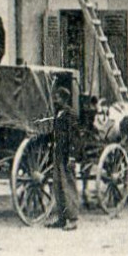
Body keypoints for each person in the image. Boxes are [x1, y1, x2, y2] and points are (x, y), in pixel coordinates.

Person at [49, 83, 81, 231]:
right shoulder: (59, 113)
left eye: (57, 98)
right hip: (58, 154)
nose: (55, 100)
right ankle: (62, 218)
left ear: (63, 99)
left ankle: (73, 219)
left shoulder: (70, 114)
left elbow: (74, 138)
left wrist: (72, 157)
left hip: (67, 155)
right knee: (58, 186)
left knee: (68, 185)